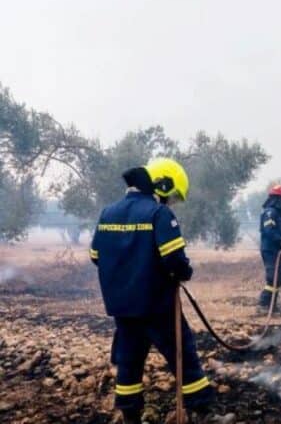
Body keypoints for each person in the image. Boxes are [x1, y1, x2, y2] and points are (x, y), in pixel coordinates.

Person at [89, 158, 214, 424]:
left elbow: (96, 255)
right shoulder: (159, 214)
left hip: (123, 307)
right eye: (172, 195)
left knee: (129, 361)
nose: (170, 202)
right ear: (163, 184)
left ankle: (131, 415)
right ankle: (203, 412)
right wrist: (184, 273)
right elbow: (174, 259)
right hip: (157, 305)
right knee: (184, 354)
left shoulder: (107, 213)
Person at [259, 184, 281, 311]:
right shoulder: (270, 213)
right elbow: (269, 231)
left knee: (278, 275)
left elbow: (276, 233)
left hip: (275, 250)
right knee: (273, 277)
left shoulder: (276, 214)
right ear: (275, 199)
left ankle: (272, 306)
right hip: (269, 250)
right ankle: (263, 305)